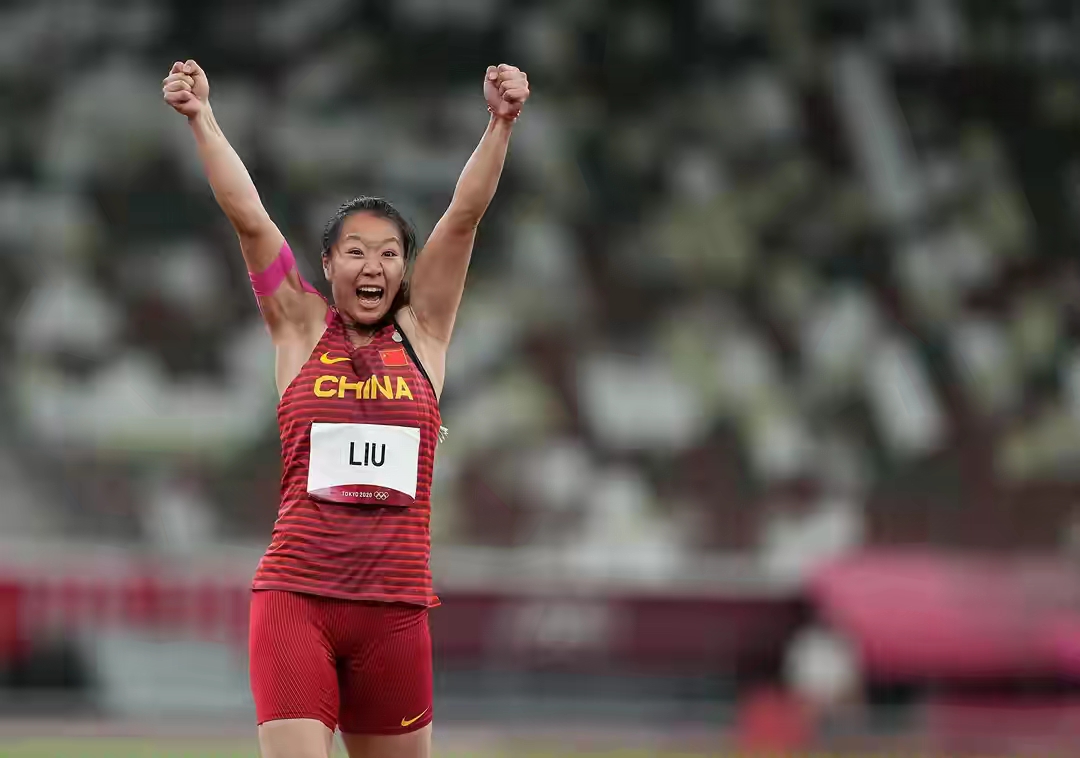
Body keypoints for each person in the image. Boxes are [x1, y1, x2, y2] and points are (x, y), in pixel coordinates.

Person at [162, 58, 529, 758]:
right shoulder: (298, 327)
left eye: (389, 254)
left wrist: (501, 125)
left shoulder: (426, 334)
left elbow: (463, 218)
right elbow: (250, 220)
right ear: (327, 266)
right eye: (355, 252)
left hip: (395, 613)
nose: (373, 266)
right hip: (296, 600)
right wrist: (202, 119)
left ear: (405, 270)